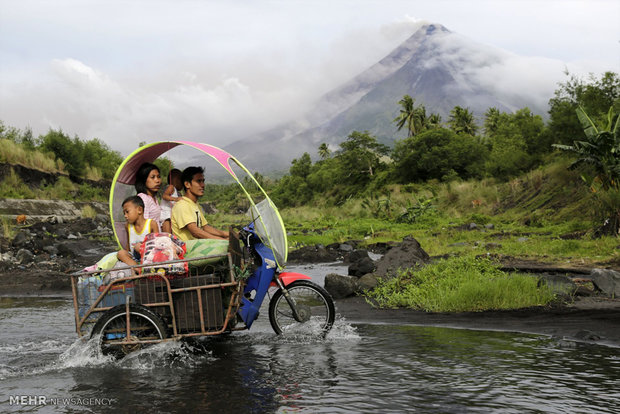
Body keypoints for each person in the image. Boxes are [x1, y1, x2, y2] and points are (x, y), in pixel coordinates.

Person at [171, 166, 229, 241]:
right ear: (187, 184)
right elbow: (195, 231)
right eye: (198, 181)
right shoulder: (182, 205)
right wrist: (222, 240)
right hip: (188, 250)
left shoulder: (195, 204)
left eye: (203, 181)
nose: (203, 185)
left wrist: (227, 234)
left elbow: (205, 227)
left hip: (198, 247)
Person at [117, 196, 159, 272]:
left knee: (138, 247)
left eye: (127, 212)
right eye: (124, 213)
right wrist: (126, 253)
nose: (125, 216)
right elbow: (128, 244)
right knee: (121, 253)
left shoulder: (151, 224)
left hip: (148, 256)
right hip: (134, 259)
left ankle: (145, 268)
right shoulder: (128, 226)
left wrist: (141, 248)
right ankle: (139, 270)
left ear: (139, 210)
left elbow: (157, 244)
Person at [135, 162, 162, 228]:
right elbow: (143, 225)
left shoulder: (154, 197)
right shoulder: (143, 198)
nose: (157, 180)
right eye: (153, 177)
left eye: (158, 177)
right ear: (144, 180)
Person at [160, 168, 183, 234]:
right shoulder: (171, 187)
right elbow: (164, 196)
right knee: (168, 236)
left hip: (171, 217)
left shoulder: (177, 192)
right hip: (165, 216)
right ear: (176, 180)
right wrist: (175, 199)